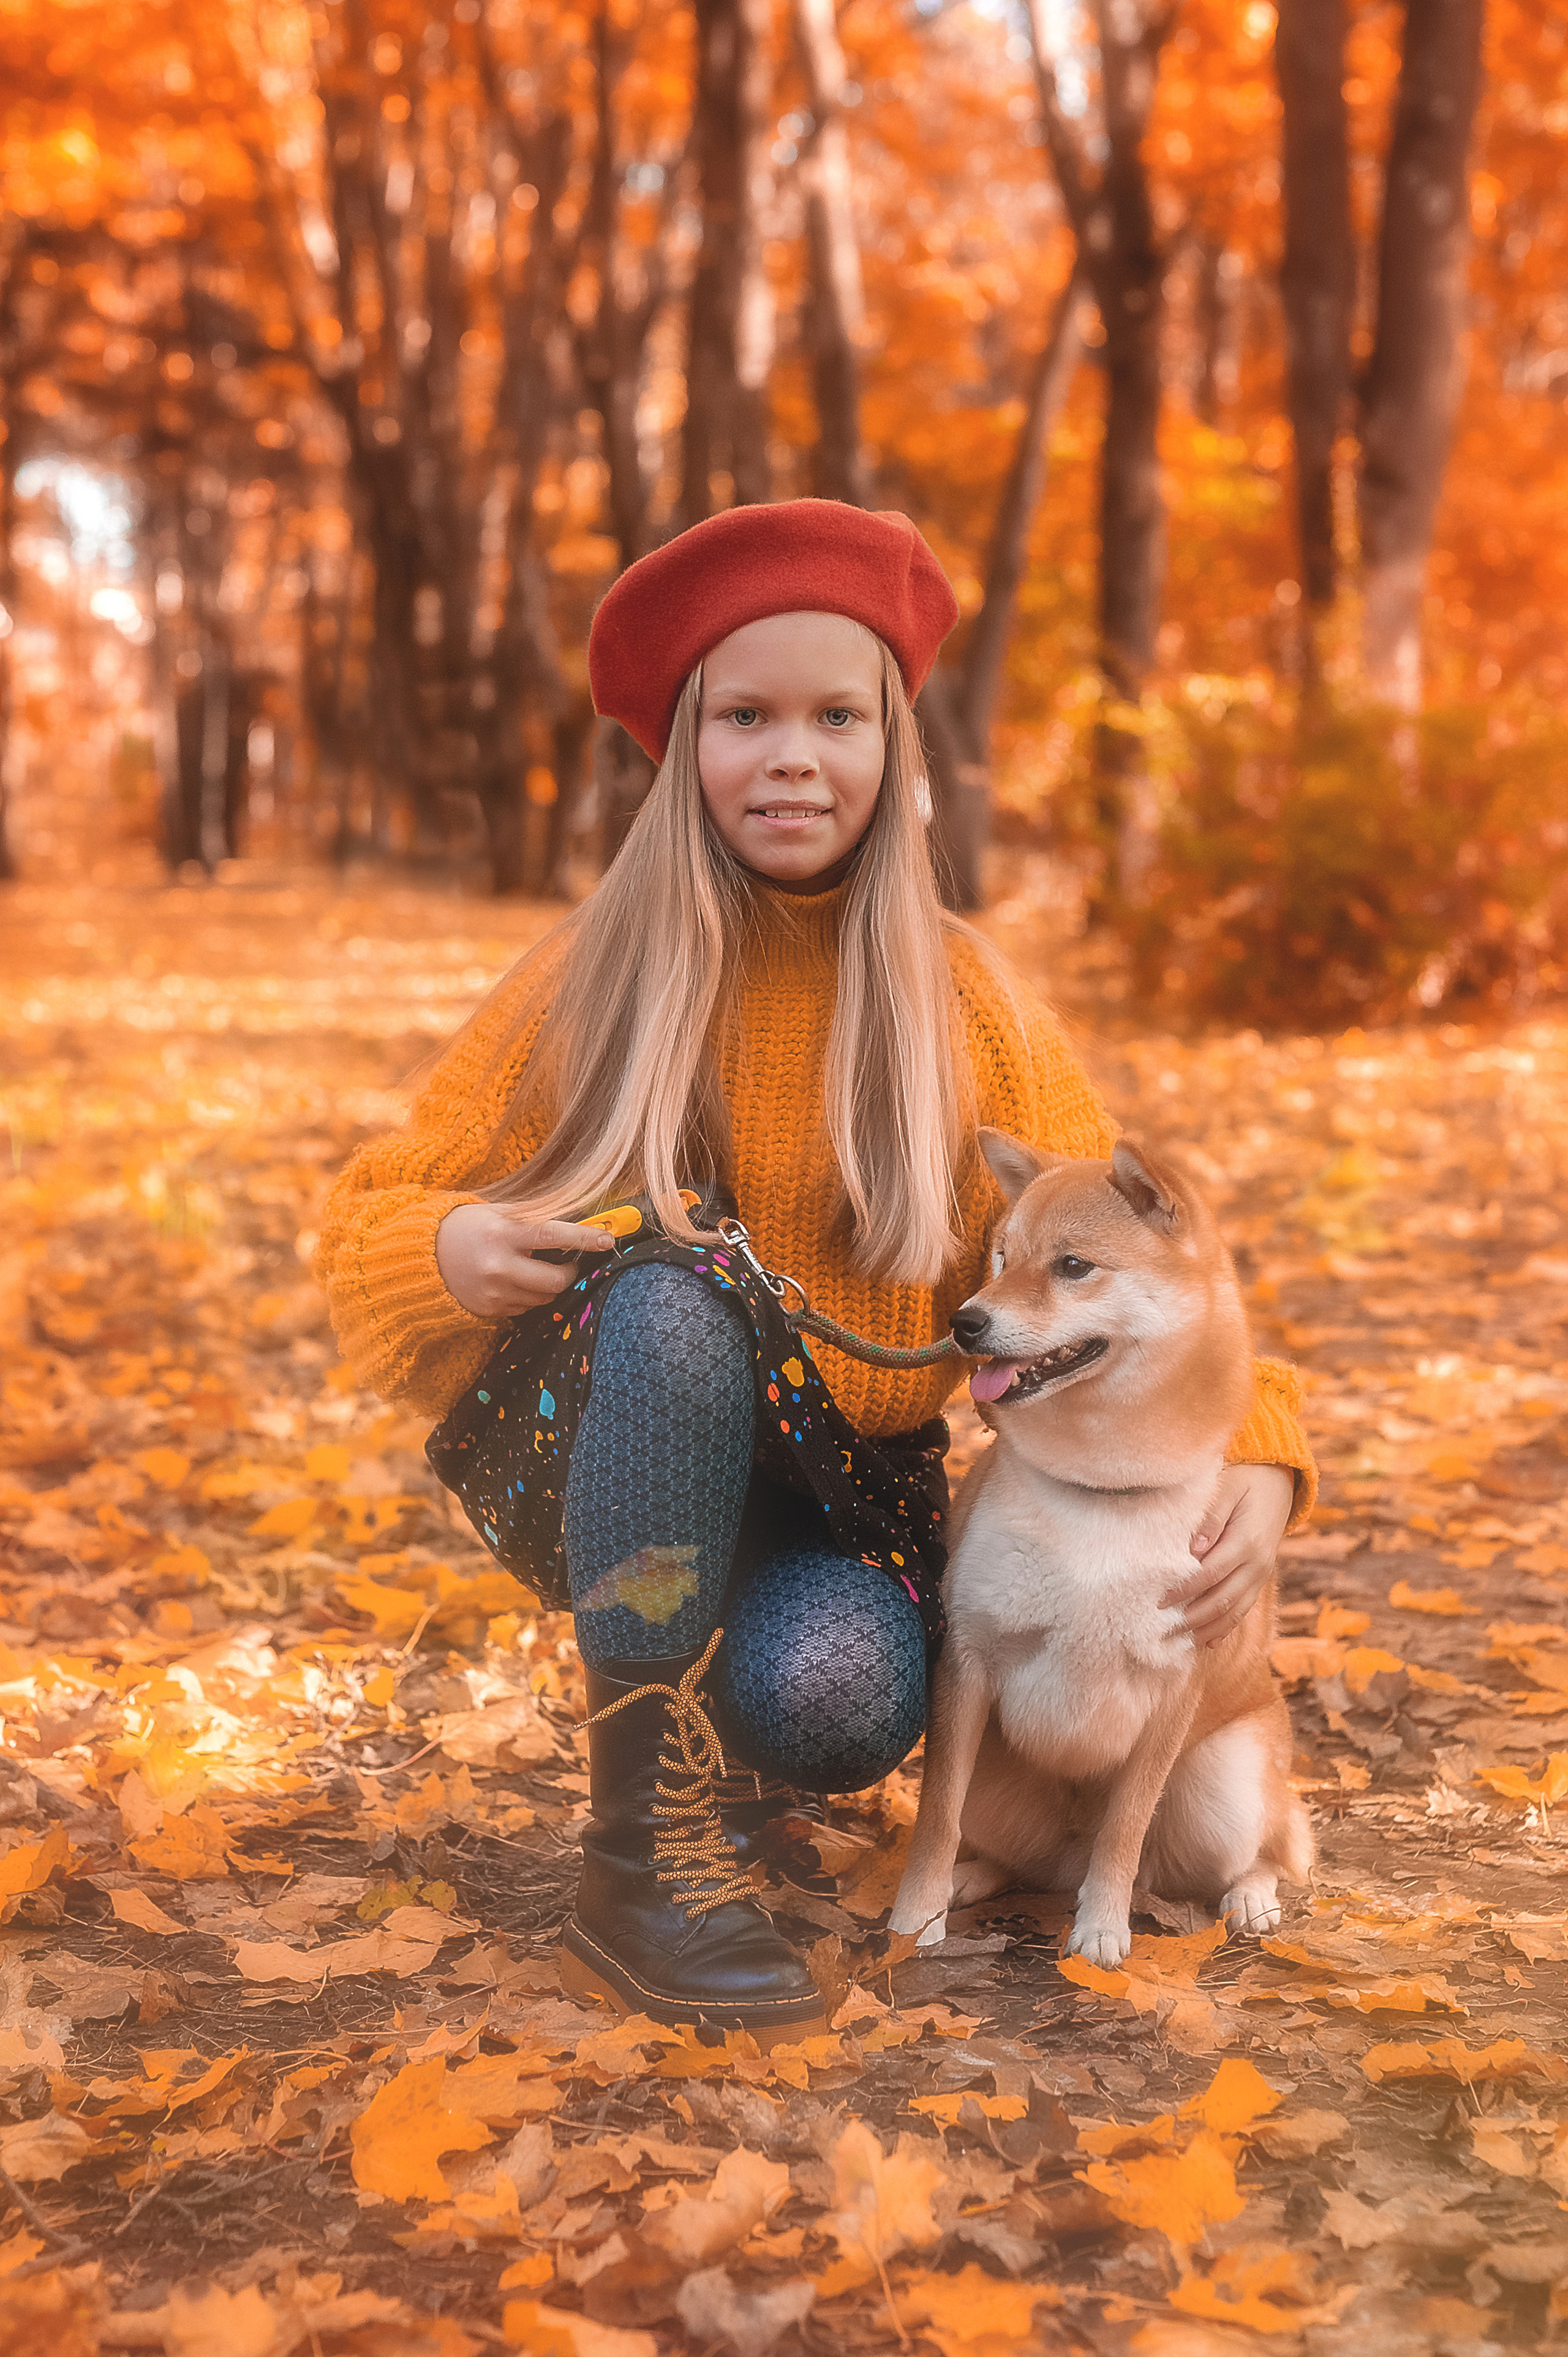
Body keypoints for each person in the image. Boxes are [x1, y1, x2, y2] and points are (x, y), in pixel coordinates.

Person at [314, 498, 1314, 2044]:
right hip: (622, 1439)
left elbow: (1134, 1247)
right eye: (746, 715)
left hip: (846, 1491)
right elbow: (370, 1201)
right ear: (682, 747)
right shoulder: (598, 970)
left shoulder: (960, 993)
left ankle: (728, 1741)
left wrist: (1256, 1458)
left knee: (842, 1694)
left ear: (892, 747)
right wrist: (442, 1245)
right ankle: (634, 1863)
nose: (792, 755)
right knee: (666, 1297)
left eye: (836, 715)